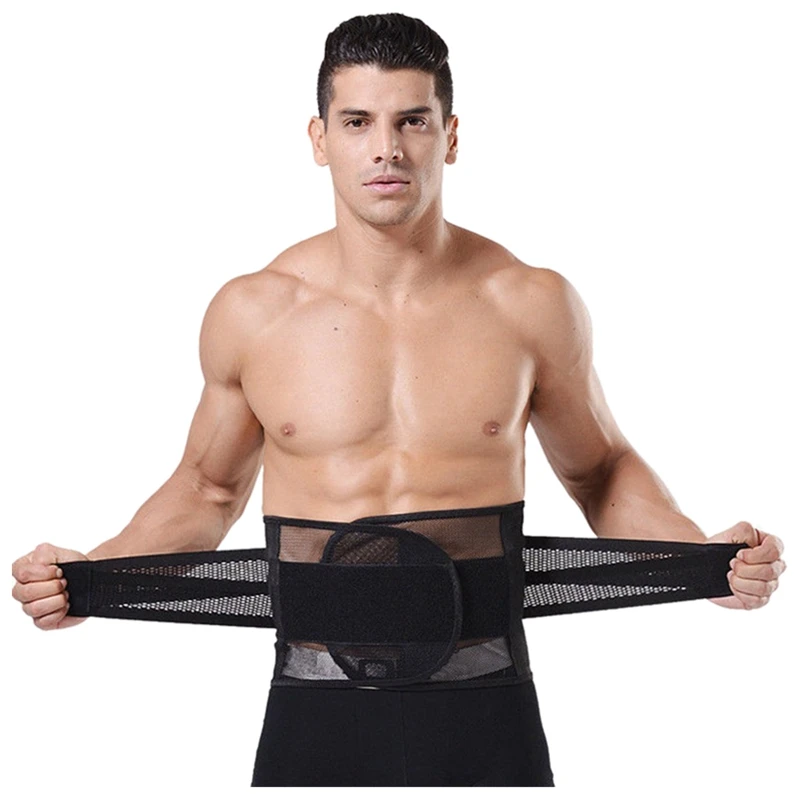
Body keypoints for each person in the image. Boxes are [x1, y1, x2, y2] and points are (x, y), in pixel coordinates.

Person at [10, 12, 786, 788]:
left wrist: (700, 558)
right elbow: (207, 490)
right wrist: (95, 573)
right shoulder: (255, 312)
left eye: (412, 120)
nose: (386, 148)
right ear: (320, 140)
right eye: (358, 122)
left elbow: (600, 472)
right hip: (314, 704)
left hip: (487, 702)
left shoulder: (529, 303)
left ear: (451, 136)